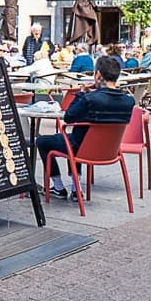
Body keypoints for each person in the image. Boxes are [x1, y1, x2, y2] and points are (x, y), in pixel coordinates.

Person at [34, 55, 137, 200]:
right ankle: (76, 190)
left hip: (80, 148)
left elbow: (69, 117)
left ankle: (58, 187)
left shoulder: (90, 99)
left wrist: (81, 93)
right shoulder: (128, 101)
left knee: (43, 141)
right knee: (77, 139)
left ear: (98, 75)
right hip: (111, 151)